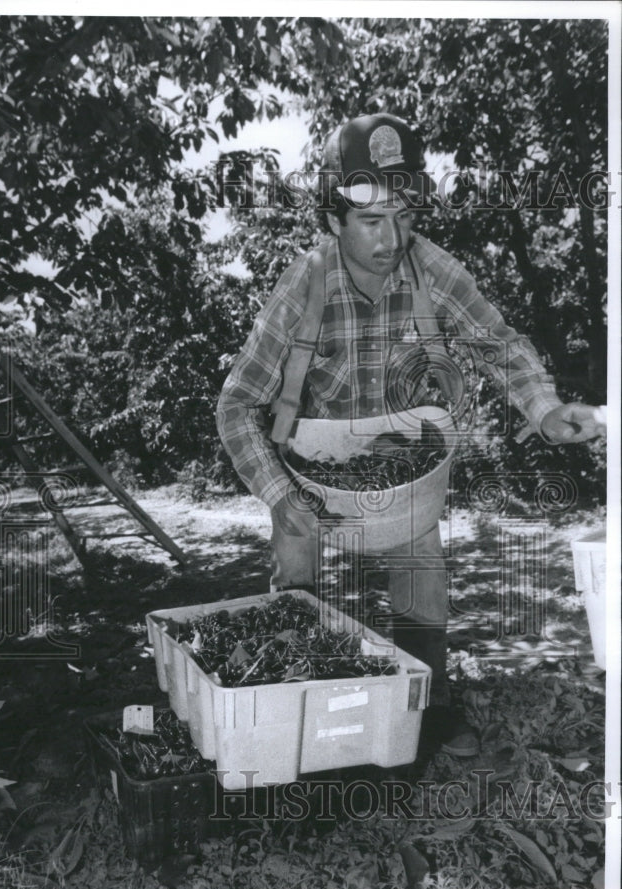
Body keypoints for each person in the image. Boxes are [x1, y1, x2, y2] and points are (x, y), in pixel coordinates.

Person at [216, 112, 604, 758]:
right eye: (370, 218)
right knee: (296, 575)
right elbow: (235, 407)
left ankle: (428, 705)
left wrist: (543, 409)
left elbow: (500, 345)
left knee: (420, 562)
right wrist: (280, 496)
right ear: (333, 218)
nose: (389, 237)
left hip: (400, 459)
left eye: (403, 214)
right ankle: (297, 713)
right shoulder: (303, 286)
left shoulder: (432, 271)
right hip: (310, 467)